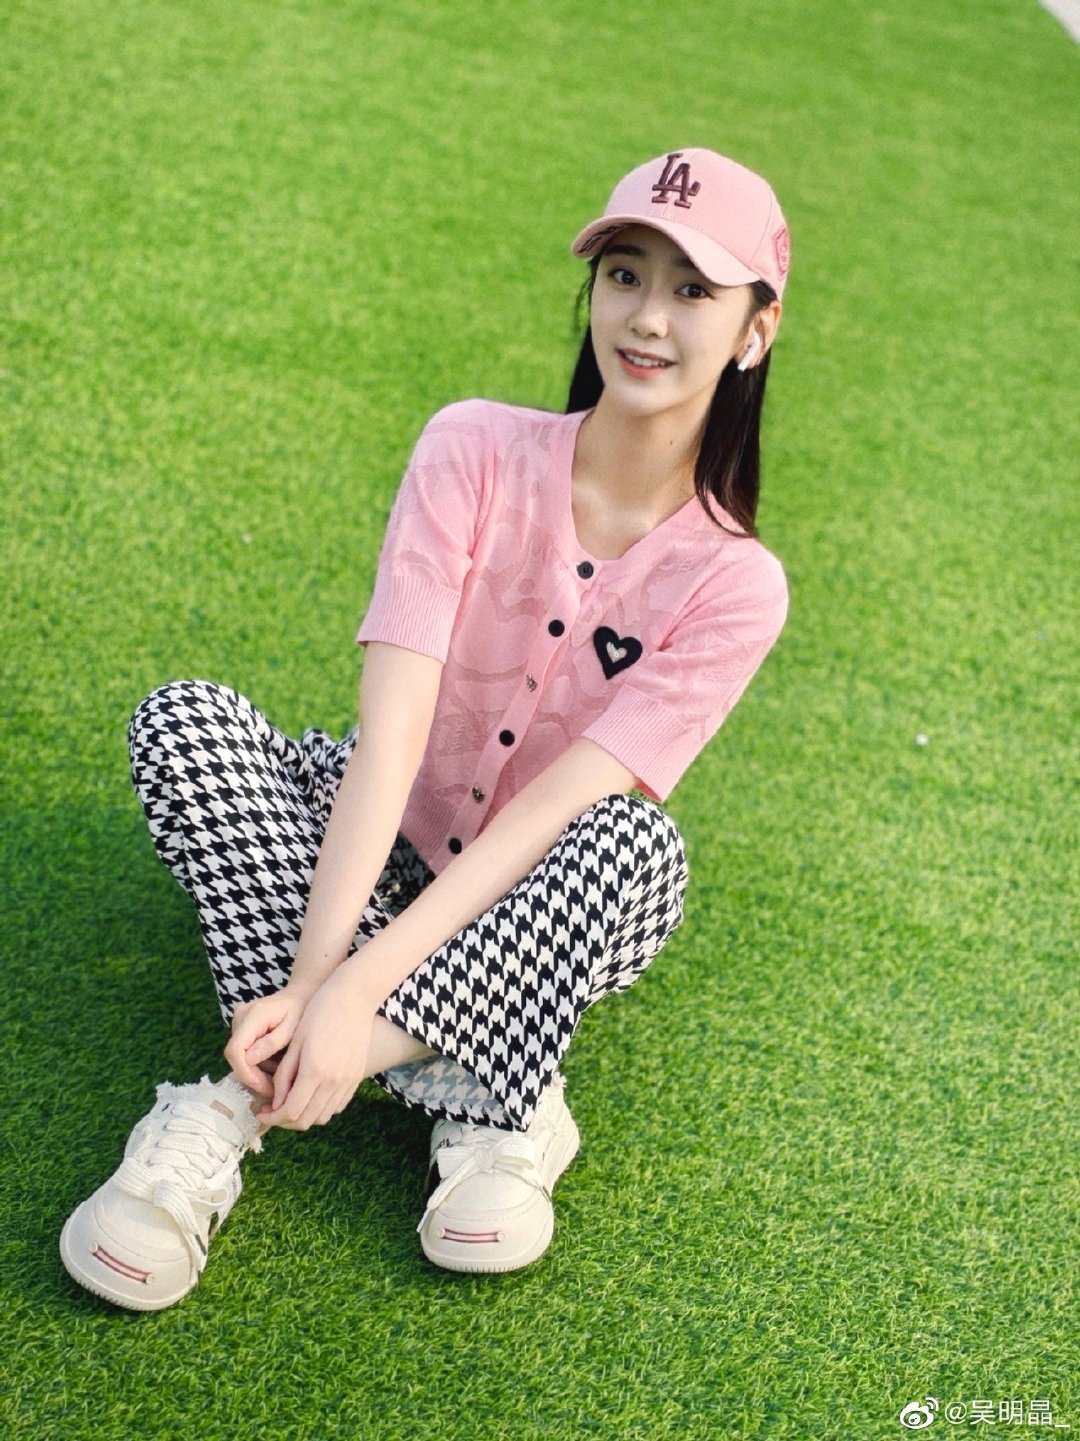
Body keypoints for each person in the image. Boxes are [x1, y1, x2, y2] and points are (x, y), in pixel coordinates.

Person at [59, 146, 792, 1311]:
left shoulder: (738, 585)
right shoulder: (472, 445)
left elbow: (559, 810)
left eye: (693, 290)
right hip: (377, 823)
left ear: (756, 329)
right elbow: (390, 733)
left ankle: (235, 1105)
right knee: (187, 724)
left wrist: (356, 1000)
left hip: (536, 881)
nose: (647, 318)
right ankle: (494, 1090)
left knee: (636, 852)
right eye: (625, 276)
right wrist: (321, 977)